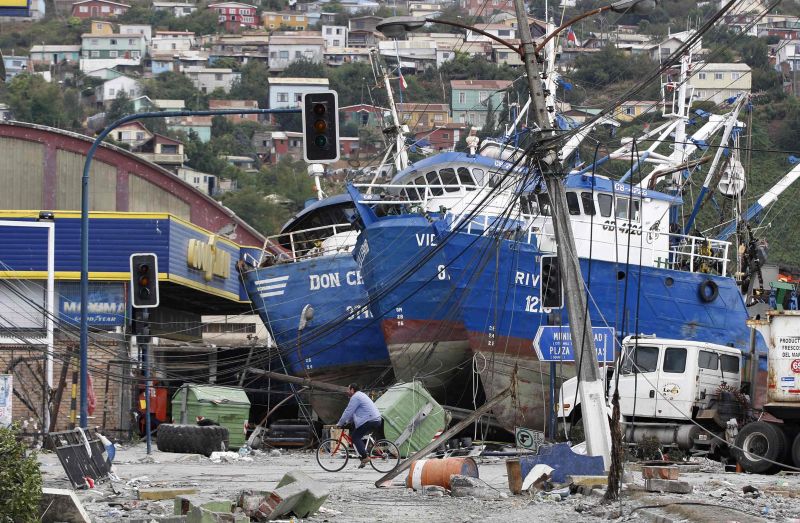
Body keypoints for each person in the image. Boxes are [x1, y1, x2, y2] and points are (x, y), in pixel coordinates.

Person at [336, 383, 382, 468]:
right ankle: (363, 459)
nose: (347, 391)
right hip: (374, 419)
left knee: (355, 437)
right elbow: (353, 413)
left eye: (348, 389)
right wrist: (347, 421)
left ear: (352, 390)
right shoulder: (360, 395)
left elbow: (348, 411)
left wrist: (340, 423)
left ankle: (365, 457)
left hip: (371, 420)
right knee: (357, 436)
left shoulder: (355, 397)